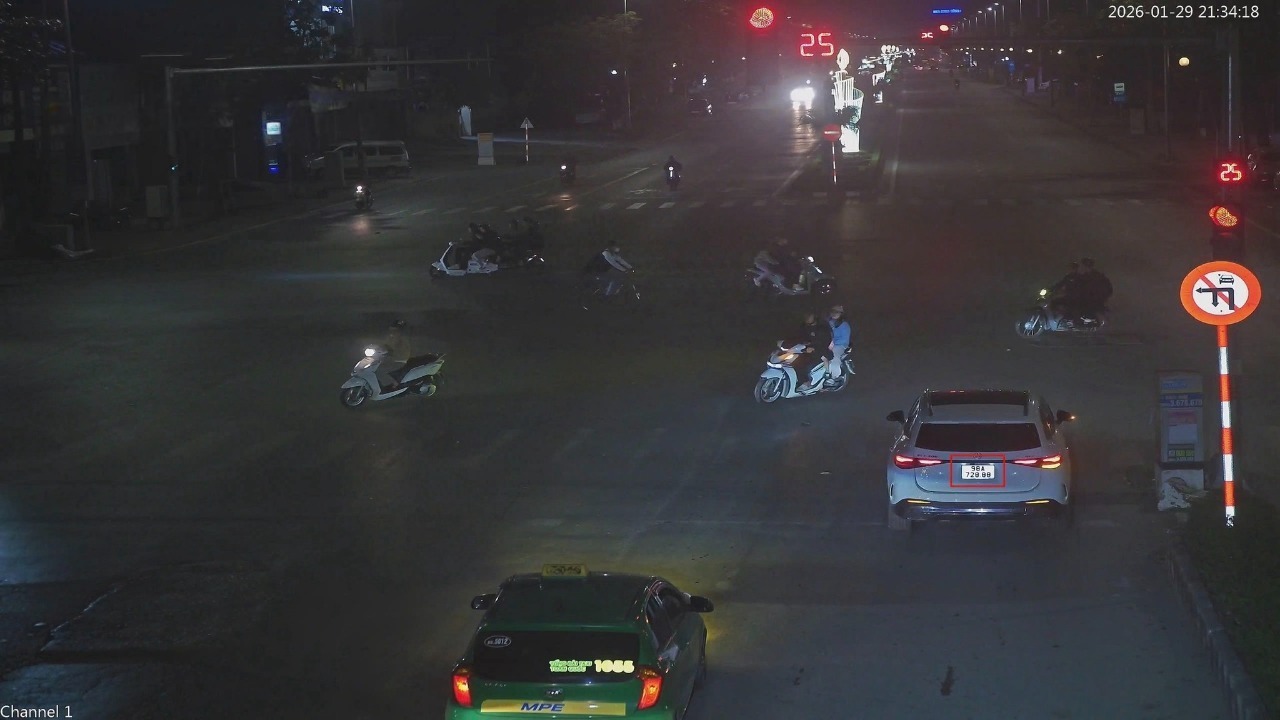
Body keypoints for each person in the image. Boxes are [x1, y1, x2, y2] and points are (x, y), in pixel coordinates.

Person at [784, 313, 833, 393]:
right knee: (791, 361)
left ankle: (807, 383)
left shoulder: (822, 328)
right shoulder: (804, 327)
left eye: (809, 316)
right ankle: (798, 380)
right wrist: (785, 343)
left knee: (800, 363)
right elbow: (798, 337)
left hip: (821, 351)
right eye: (806, 316)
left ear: (815, 317)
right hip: (805, 350)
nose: (807, 318)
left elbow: (825, 341)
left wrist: (813, 347)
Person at [377, 320, 411, 391]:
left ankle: (395, 385)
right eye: (391, 329)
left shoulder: (402, 339)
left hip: (399, 360)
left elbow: (400, 350)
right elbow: (384, 345)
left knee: (380, 370)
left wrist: (390, 351)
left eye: (395, 330)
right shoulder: (391, 337)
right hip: (390, 359)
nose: (392, 331)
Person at [1075, 257, 1113, 322]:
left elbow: (1108, 288)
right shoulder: (1084, 276)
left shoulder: (1098, 276)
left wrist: (1103, 297)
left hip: (1094, 300)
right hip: (1090, 300)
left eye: (1085, 266)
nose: (1084, 268)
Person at [827, 305, 853, 379]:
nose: (834, 314)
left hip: (840, 345)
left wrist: (833, 343)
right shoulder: (829, 323)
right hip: (829, 343)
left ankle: (834, 377)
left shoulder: (844, 325)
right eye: (833, 312)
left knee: (834, 357)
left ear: (841, 314)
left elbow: (844, 339)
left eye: (837, 312)